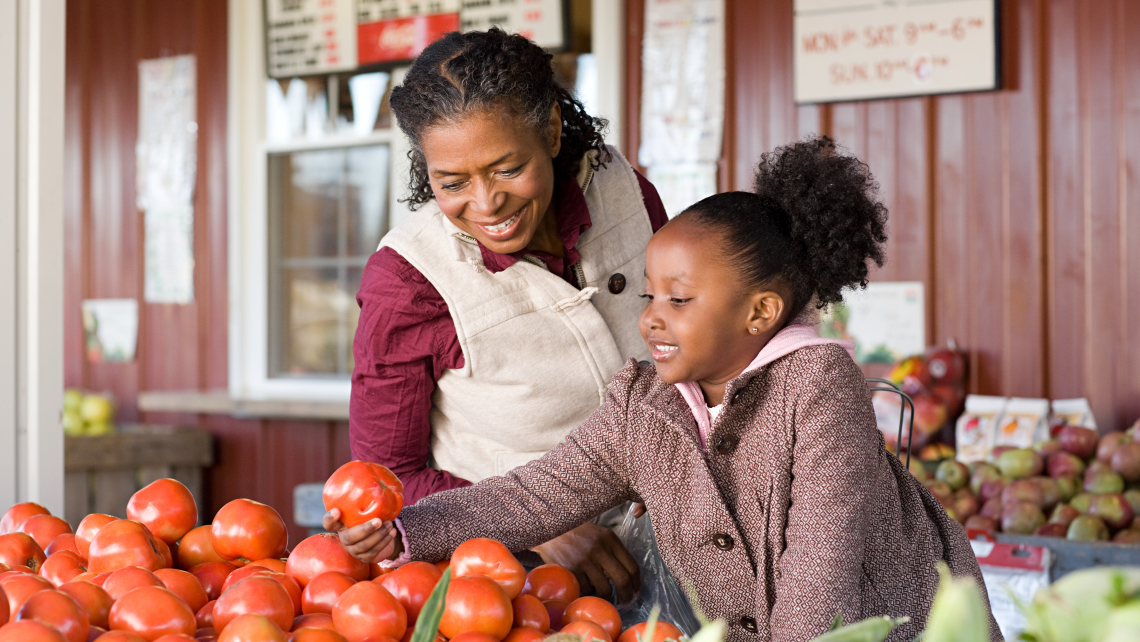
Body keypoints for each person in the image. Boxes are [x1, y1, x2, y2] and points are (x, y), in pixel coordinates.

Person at [335, 137, 1001, 642]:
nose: (650, 317)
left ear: (759, 314)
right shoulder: (647, 403)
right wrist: (405, 532)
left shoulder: (821, 390)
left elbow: (820, 575)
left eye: (679, 300)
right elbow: (535, 493)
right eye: (651, 295)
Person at [327, 28, 668, 601]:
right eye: (452, 182)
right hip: (516, 585)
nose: (486, 205)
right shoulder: (408, 281)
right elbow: (387, 481)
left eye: (508, 169)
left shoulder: (625, 191)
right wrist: (543, 522)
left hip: (685, 542)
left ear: (553, 131)